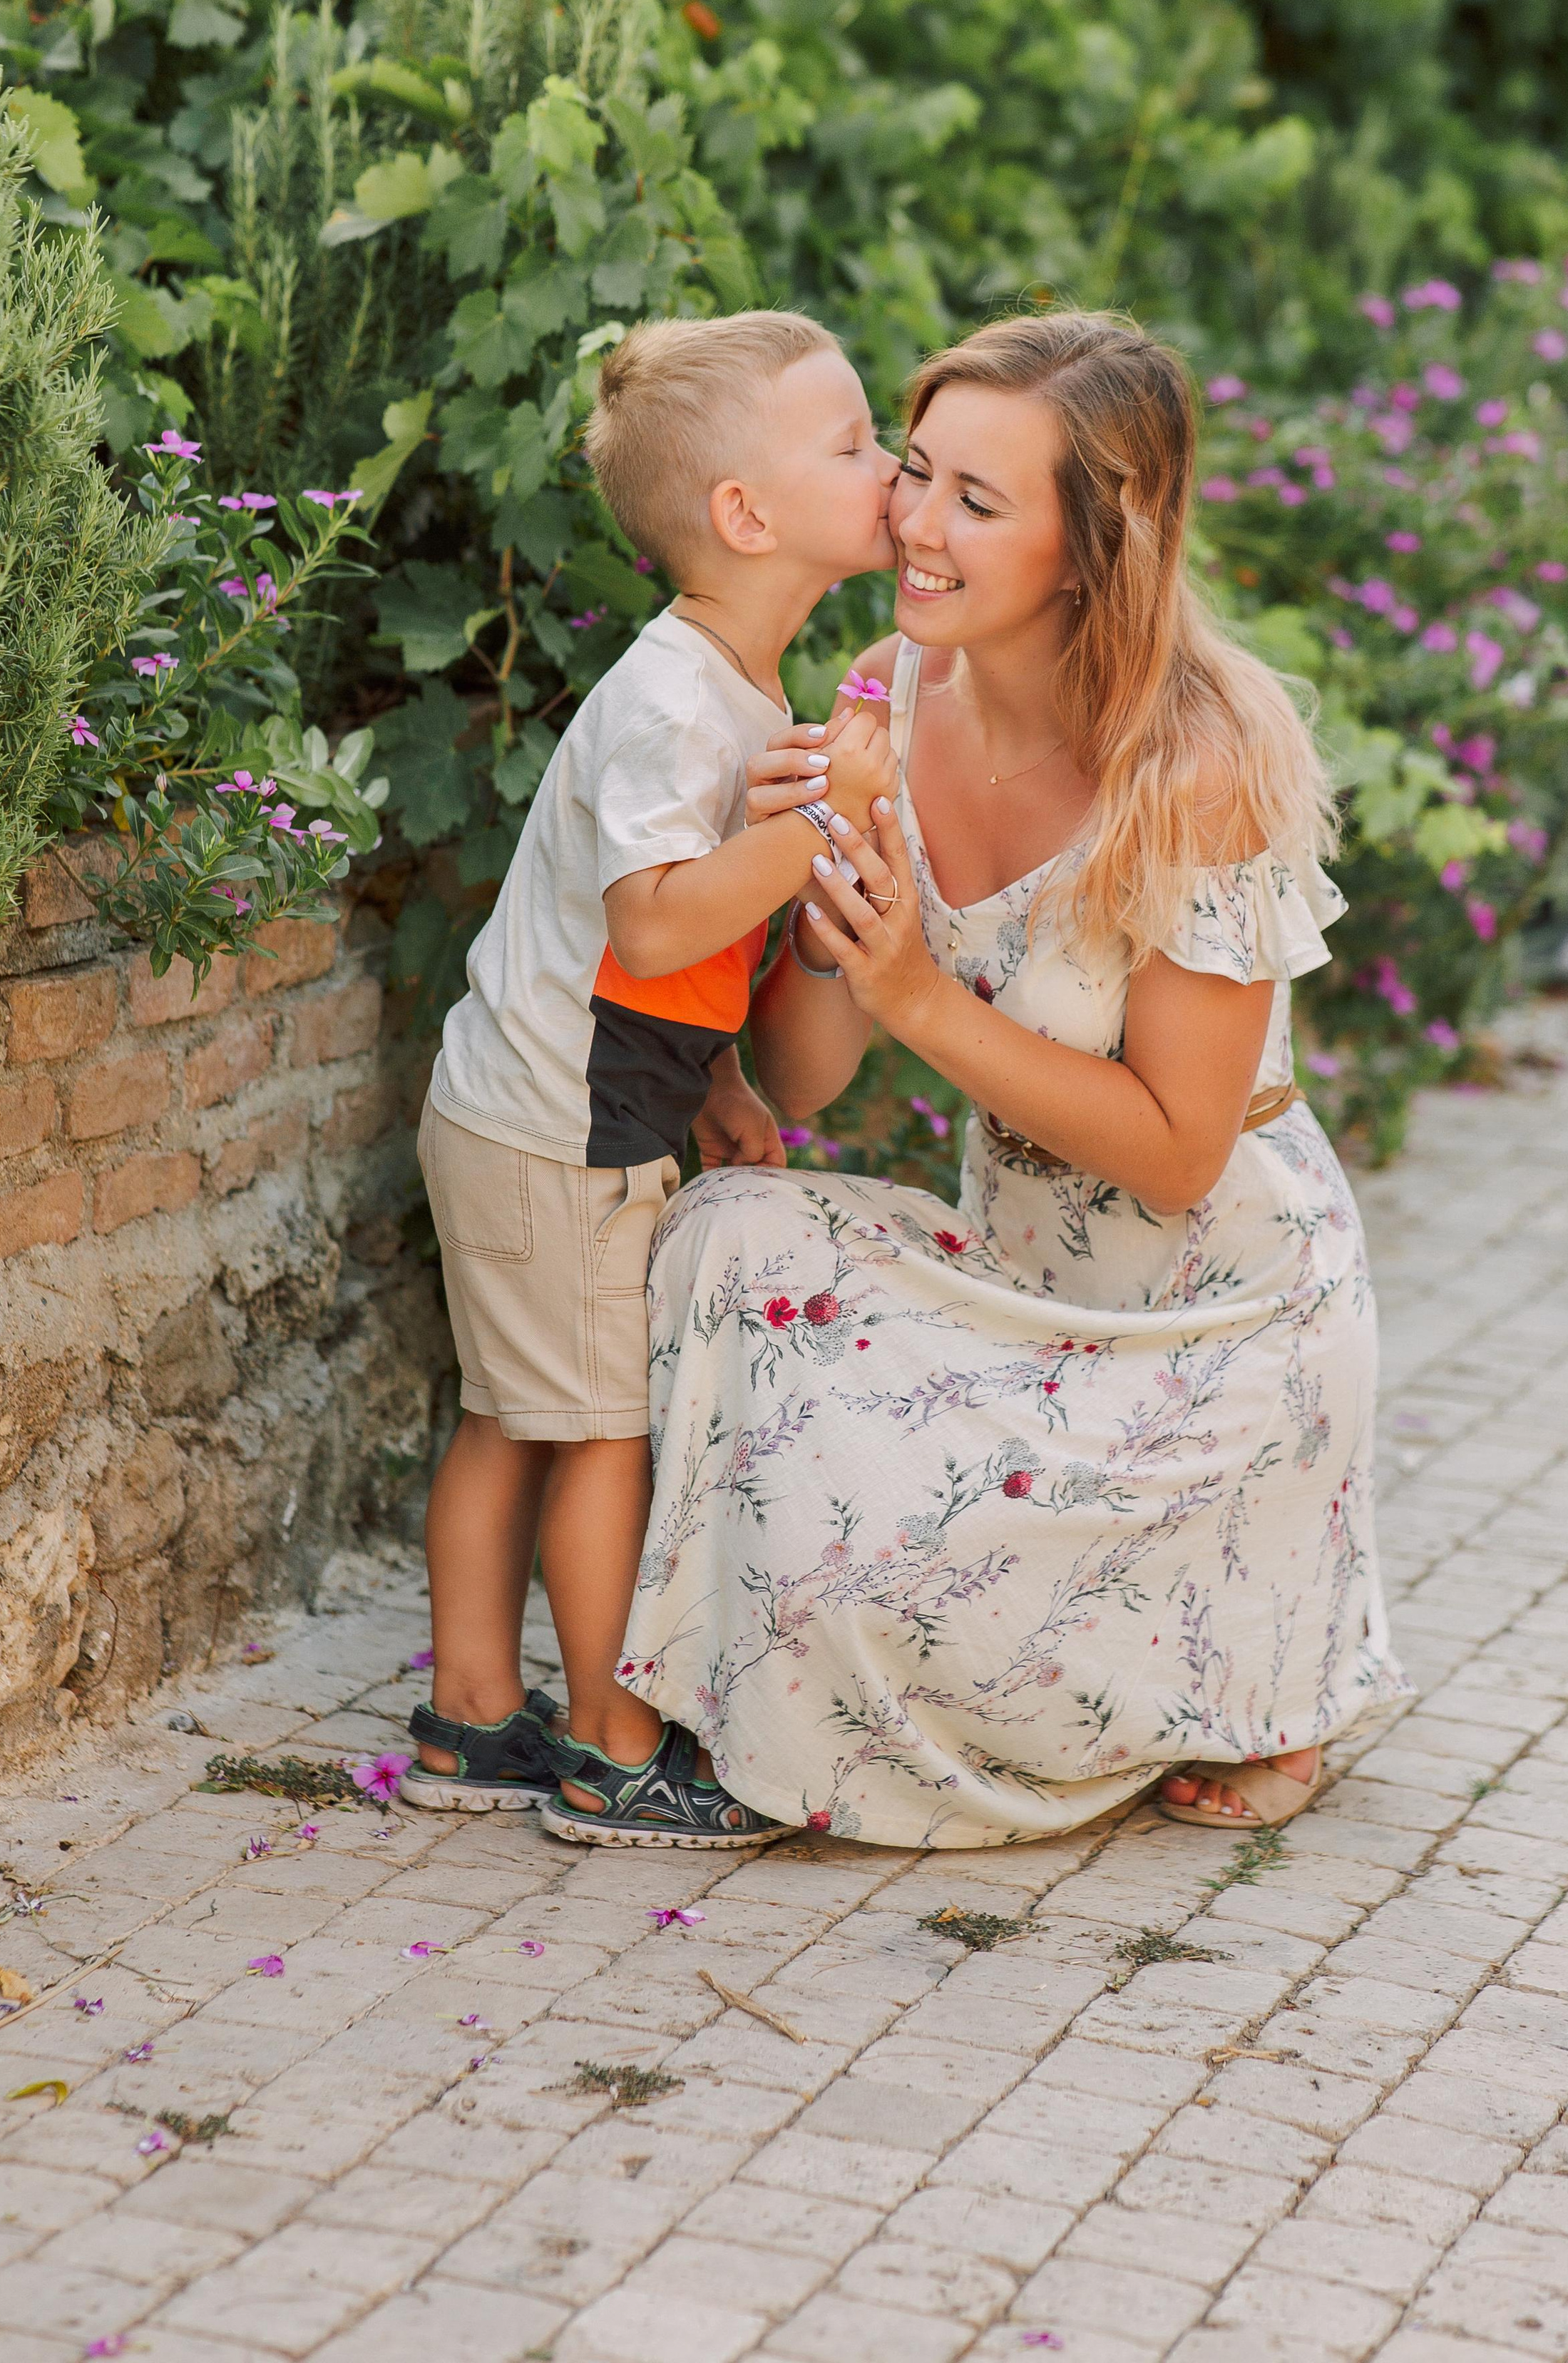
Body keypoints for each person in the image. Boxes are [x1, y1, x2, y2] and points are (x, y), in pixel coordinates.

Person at [620, 310, 1411, 1847]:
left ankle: (1247, 1662)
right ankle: (955, 1678)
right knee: (728, 1232)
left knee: (919, 1570)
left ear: (1089, 546)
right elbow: (806, 1085)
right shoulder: (884, 694)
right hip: (1014, 1285)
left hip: (1220, 1329)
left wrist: (916, 986)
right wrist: (823, 898)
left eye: (975, 502)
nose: (911, 523)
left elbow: (1181, 1152)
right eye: (912, 474)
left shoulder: (1196, 761)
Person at [405, 309, 899, 1848]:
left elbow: (655, 963)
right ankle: (612, 1749)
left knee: (519, 1418)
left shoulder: (732, 693)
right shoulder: (670, 701)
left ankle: (474, 1719)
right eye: (853, 444)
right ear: (745, 517)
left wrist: (711, 1090)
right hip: (551, 1135)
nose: (888, 469)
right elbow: (653, 914)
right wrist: (831, 825)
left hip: (555, 1110)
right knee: (592, 1427)